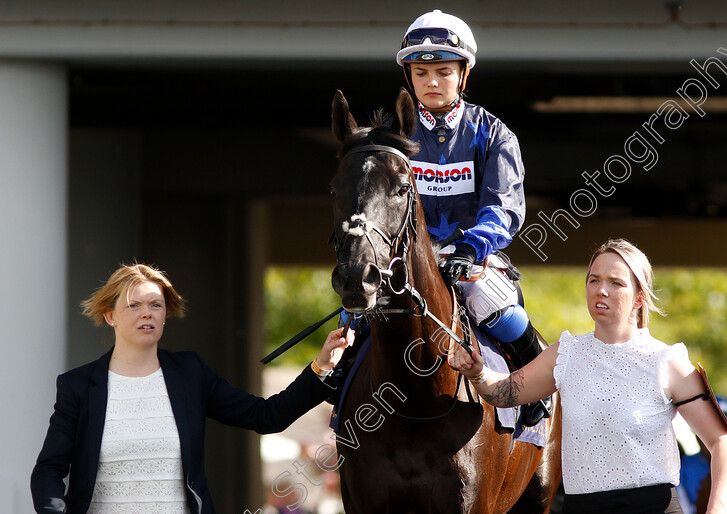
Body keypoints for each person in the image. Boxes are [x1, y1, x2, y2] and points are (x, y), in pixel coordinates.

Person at [31, 263, 354, 514]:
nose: (147, 312)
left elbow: (266, 416)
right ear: (109, 315)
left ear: (165, 315)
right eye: (134, 305)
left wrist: (321, 367)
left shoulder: (189, 374)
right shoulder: (78, 386)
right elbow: (49, 469)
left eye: (156, 305)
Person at [449, 239, 727, 513]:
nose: (601, 290)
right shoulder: (565, 353)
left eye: (616, 283)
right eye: (594, 280)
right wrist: (477, 372)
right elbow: (503, 392)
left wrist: (719, 507)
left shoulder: (667, 361)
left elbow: (721, 441)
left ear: (639, 298)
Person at [395, 9, 550, 426]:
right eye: (421, 71)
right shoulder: (393, 137)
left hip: (473, 258)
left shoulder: (494, 133)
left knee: (490, 299)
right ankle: (339, 395)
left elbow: (503, 207)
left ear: (464, 73)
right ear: (409, 75)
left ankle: (535, 390)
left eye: (443, 71)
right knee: (359, 311)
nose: (431, 82)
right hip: (407, 260)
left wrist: (469, 246)